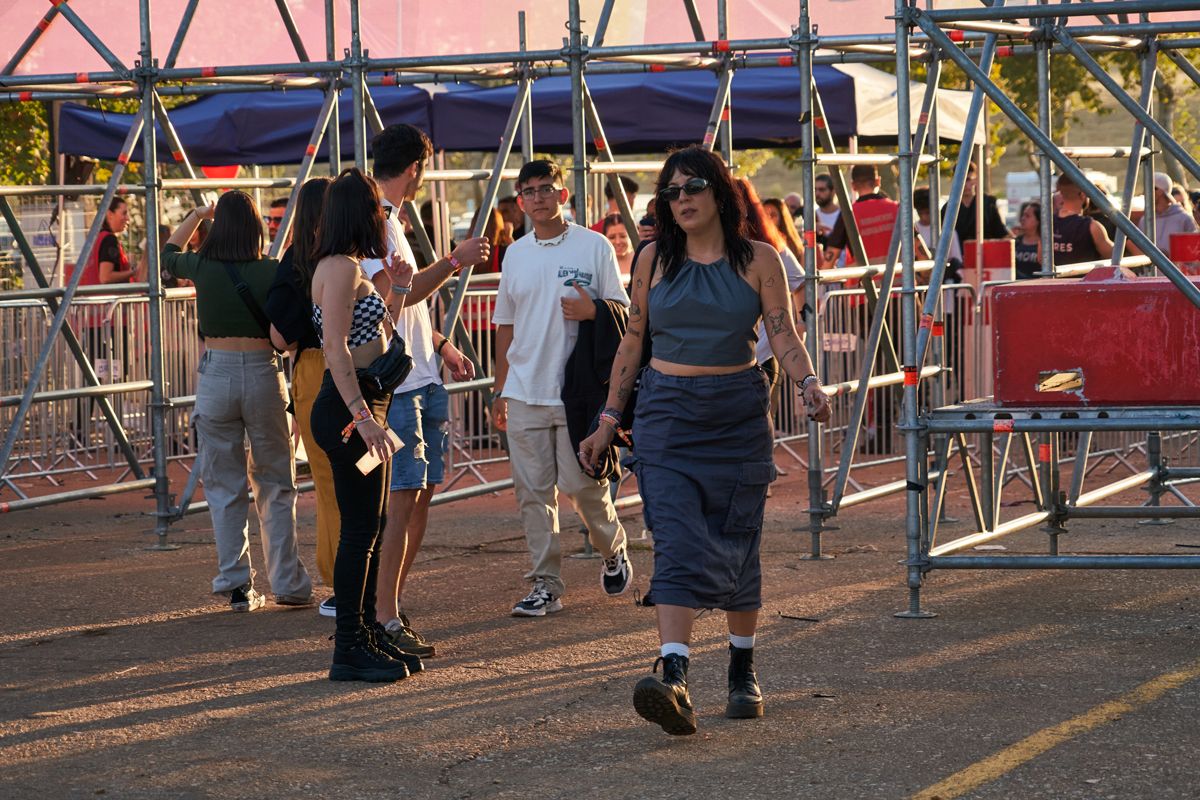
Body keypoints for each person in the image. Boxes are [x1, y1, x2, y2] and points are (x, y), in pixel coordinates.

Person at [578, 145, 831, 736]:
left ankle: (742, 670)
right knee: (675, 536)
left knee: (738, 539)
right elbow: (632, 343)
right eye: (671, 192)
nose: (682, 199)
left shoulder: (760, 260)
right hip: (665, 414)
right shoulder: (652, 260)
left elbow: (783, 336)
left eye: (693, 187)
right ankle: (674, 673)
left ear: (718, 193)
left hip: (737, 415)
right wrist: (609, 419)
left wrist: (810, 383)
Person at [366, 123, 490, 657]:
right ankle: (382, 613)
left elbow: (405, 303)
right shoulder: (372, 219)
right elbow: (398, 291)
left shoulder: (388, 218)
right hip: (399, 384)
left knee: (420, 496)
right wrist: (456, 260)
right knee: (402, 499)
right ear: (415, 167)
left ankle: (389, 603)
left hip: (421, 373)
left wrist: (440, 343)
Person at [491, 159, 632, 617]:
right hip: (525, 390)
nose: (537, 197)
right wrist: (500, 388)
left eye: (546, 188)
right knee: (532, 492)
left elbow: (625, 314)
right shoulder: (516, 252)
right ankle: (545, 584)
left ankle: (613, 548)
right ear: (520, 200)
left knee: (581, 485)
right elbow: (504, 325)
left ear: (563, 194)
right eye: (528, 191)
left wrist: (595, 313)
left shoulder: (594, 246)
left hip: (578, 393)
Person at [162, 192, 312, 613]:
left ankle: (236, 585)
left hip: (217, 375)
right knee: (277, 482)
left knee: (225, 484)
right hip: (265, 372)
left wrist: (196, 214)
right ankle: (288, 583)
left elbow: (169, 254)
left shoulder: (203, 267)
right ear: (257, 229)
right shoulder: (272, 270)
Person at [308, 167, 422, 683]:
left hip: (366, 404)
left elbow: (375, 332)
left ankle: (367, 633)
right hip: (349, 408)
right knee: (359, 530)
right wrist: (362, 417)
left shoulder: (351, 266)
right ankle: (350, 645)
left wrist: (395, 289)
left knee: (370, 528)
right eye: (378, 207)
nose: (386, 215)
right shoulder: (335, 267)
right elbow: (335, 349)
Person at [264, 177, 341, 617]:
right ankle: (362, 575)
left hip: (313, 369)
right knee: (360, 478)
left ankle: (338, 577)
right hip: (358, 370)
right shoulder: (349, 255)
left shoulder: (296, 260)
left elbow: (278, 335)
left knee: (329, 481)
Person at [822, 164, 900, 268]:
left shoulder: (848, 213)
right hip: (900, 281)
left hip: (863, 282)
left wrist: (820, 278)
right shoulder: (896, 208)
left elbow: (831, 256)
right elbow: (919, 248)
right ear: (878, 181)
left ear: (853, 186)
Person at [1053, 173, 1113, 266]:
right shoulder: (1092, 226)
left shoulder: (1047, 223)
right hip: (1085, 279)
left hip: (1056, 280)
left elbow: (1041, 258)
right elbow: (1114, 256)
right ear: (1083, 194)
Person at [944, 160, 1009, 246]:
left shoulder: (989, 204)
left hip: (985, 254)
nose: (964, 184)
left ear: (976, 179)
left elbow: (1001, 234)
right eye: (959, 180)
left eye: (967, 179)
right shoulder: (948, 208)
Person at [1135, 172, 1198, 258]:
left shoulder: (1184, 219)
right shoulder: (1144, 220)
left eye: (1149, 188)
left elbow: (1193, 253)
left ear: (1159, 191)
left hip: (1175, 271)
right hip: (1151, 271)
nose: (1145, 193)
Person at [761, 197, 805, 265]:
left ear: (782, 219)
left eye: (773, 215)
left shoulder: (795, 246)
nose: (768, 218)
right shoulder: (757, 242)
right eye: (764, 215)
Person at [1013, 201, 1042, 280]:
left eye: (1027, 216)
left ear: (1038, 221)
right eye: (1023, 215)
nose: (1022, 218)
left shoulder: (1044, 245)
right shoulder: (1015, 242)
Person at [603, 213, 635, 281]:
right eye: (612, 237)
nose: (618, 241)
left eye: (623, 236)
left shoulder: (640, 258)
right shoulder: (600, 262)